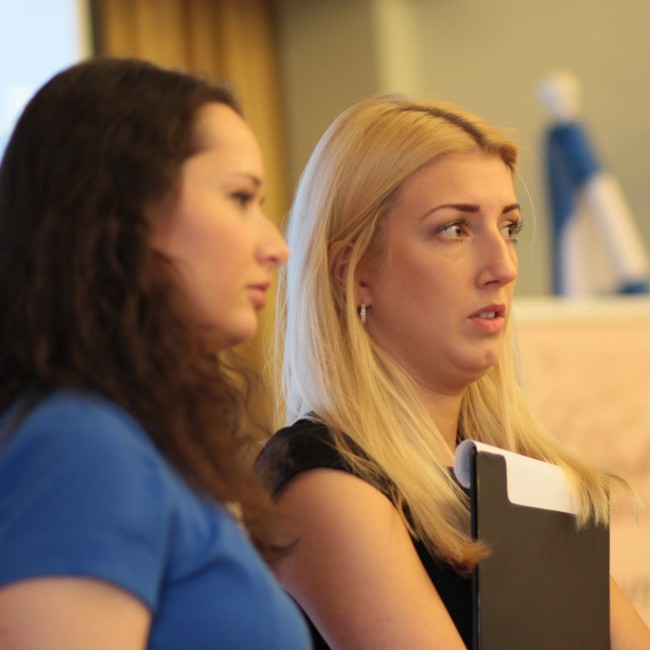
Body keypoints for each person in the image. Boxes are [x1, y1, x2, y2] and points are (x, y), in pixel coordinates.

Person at [257, 94, 650, 649]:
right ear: (354, 273)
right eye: (454, 229)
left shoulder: (522, 477)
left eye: (509, 228)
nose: (504, 267)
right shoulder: (322, 479)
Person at [0, 58, 312, 649]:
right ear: (123, 215)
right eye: (240, 197)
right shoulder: (80, 444)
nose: (276, 247)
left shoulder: (135, 441)